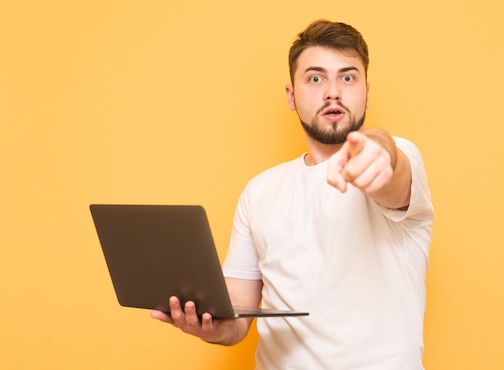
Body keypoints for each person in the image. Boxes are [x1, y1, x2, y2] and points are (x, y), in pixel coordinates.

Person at [151, 19, 434, 369]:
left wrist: (379, 151)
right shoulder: (259, 191)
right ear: (291, 95)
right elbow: (237, 315)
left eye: (348, 77)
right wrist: (213, 327)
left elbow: (392, 169)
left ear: (367, 92)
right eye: (316, 78)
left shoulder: (396, 157)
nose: (333, 92)